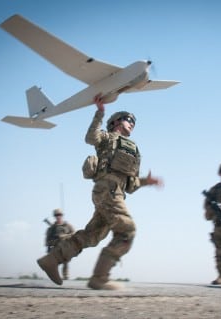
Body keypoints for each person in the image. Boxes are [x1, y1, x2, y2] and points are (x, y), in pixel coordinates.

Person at [37, 94, 163, 290]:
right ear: (115, 123)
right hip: (106, 189)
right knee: (127, 230)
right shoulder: (107, 137)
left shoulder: (135, 150)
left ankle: (52, 260)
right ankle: (100, 278)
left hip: (117, 193)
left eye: (133, 122)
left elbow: (131, 185)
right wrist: (99, 113)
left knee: (92, 235)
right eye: (127, 119)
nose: (131, 123)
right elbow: (90, 138)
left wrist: (148, 181)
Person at [45, 208, 75, 280]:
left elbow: (74, 234)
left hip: (65, 247)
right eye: (56, 215)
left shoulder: (67, 225)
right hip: (55, 247)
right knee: (53, 263)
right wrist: (54, 242)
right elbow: (47, 241)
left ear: (62, 215)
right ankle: (54, 275)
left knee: (66, 261)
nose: (58, 216)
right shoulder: (51, 228)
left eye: (59, 215)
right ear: (54, 216)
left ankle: (65, 275)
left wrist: (65, 236)